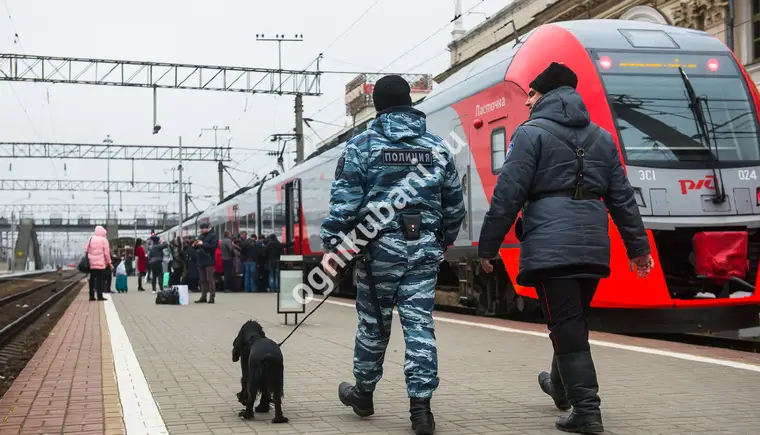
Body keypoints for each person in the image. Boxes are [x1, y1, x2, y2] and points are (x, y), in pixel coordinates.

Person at [477, 62, 654, 434]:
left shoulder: (530, 134)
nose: (526, 101)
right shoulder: (602, 138)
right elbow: (622, 198)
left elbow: (508, 195)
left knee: (566, 324)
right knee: (571, 320)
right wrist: (638, 248)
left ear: (543, 94)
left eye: (531, 93)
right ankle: (559, 386)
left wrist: (488, 246)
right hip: (592, 245)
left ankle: (587, 411)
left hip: (550, 244)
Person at [319, 74, 465, 435]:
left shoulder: (361, 147)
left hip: (376, 252)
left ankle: (364, 394)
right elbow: (455, 206)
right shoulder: (437, 147)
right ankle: (421, 410)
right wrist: (439, 240)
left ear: (379, 106)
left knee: (374, 325)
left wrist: (334, 248)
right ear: (411, 104)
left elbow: (344, 207)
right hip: (423, 249)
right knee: (419, 325)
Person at [84, 225, 112, 301]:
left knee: (92, 280)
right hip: (100, 264)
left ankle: (91, 296)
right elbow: (106, 253)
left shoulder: (91, 239)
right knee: (100, 280)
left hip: (92, 264)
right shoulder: (104, 240)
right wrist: (109, 262)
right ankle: (100, 296)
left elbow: (86, 249)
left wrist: (91, 255)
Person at [194, 223, 219, 303]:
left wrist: (202, 243)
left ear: (207, 228)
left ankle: (212, 297)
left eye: (203, 228)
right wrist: (195, 245)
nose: (201, 230)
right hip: (201, 260)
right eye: (201, 228)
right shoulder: (201, 236)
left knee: (210, 279)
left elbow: (213, 247)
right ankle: (203, 296)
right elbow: (198, 247)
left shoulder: (213, 236)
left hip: (209, 260)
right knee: (202, 280)